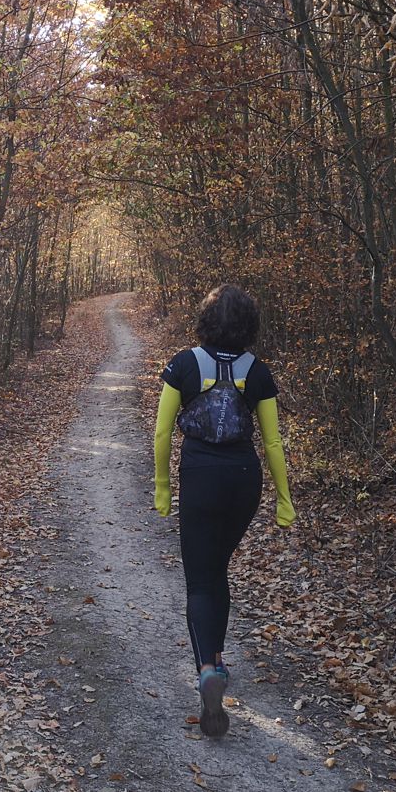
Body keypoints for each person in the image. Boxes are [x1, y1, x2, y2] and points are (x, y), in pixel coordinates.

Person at [153, 285, 294, 737]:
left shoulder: (183, 364)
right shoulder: (259, 373)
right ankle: (217, 660)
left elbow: (160, 435)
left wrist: (161, 487)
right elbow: (271, 441)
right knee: (219, 570)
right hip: (243, 480)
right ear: (249, 324)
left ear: (206, 320)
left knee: (201, 577)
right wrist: (283, 497)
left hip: (201, 476)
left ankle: (208, 668)